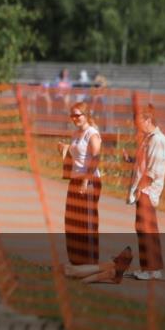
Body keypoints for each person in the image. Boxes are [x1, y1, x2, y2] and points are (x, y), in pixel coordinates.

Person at [125, 104, 165, 280]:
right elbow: (145, 160)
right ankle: (149, 267)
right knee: (142, 228)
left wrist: (139, 190)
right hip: (143, 189)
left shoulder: (158, 140)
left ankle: (152, 268)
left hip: (147, 191)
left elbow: (153, 171)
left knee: (147, 229)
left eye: (138, 121)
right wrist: (131, 159)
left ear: (148, 120)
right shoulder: (148, 138)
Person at [57, 101, 102, 265]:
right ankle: (76, 261)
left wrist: (85, 181)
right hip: (75, 179)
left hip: (89, 181)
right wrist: (65, 147)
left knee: (87, 223)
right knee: (72, 220)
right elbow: (77, 153)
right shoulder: (76, 133)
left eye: (77, 115)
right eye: (72, 115)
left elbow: (95, 158)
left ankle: (90, 262)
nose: (74, 118)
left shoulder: (92, 134)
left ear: (86, 115)